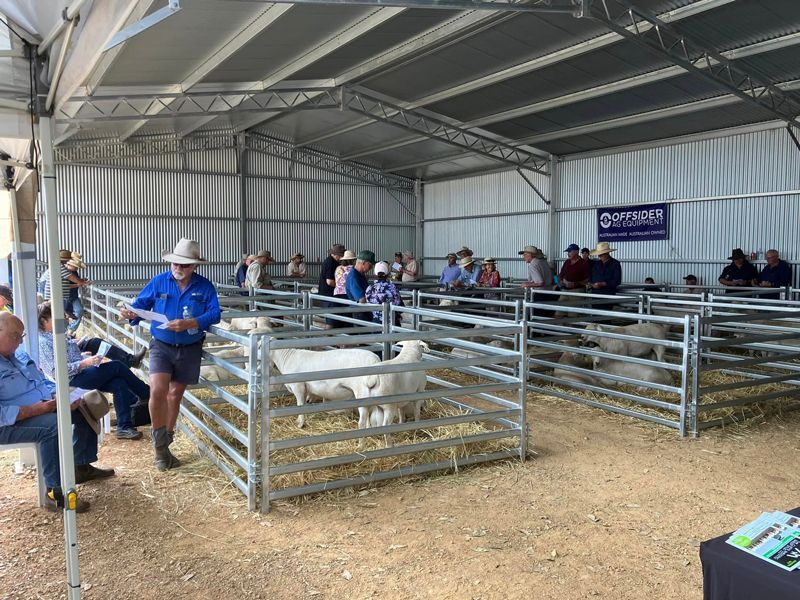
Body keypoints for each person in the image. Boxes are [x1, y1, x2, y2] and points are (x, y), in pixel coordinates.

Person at [119, 238, 221, 471]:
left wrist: (192, 322)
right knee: (157, 389)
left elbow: (215, 313)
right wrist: (129, 313)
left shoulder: (204, 287)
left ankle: (167, 441)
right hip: (161, 345)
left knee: (175, 395)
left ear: (194, 266)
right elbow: (140, 305)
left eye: (184, 265)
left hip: (190, 346)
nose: (178, 268)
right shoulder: (159, 282)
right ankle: (159, 447)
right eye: (175, 263)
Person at [0, 313, 114, 512]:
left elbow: (41, 380)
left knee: (82, 406)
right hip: (9, 423)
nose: (20, 341)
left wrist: (59, 396)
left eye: (22, 336)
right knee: (52, 426)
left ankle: (81, 465)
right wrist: (35, 410)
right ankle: (55, 492)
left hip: (40, 407)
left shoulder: (18, 355)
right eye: (14, 336)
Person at [38, 302, 150, 440]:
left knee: (119, 383)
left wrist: (83, 357)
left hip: (80, 374)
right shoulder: (44, 342)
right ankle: (146, 393)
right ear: (44, 321)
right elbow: (56, 371)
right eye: (56, 317)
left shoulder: (56, 334)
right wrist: (84, 363)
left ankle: (124, 427)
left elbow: (66, 358)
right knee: (116, 366)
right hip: (71, 381)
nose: (63, 319)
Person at [318, 244, 346, 329]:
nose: (341, 257)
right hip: (328, 293)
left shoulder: (331, 261)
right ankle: (328, 339)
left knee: (332, 317)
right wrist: (340, 286)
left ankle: (330, 338)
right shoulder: (330, 263)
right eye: (341, 255)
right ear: (336, 254)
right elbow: (329, 281)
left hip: (327, 292)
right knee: (331, 319)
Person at [345, 250, 376, 322]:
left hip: (364, 311)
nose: (371, 268)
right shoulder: (354, 277)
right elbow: (361, 299)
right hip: (360, 312)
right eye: (370, 265)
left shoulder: (360, 275)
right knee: (363, 332)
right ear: (364, 263)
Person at [64, 256, 90, 333]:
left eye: (77, 267)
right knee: (64, 316)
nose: (77, 268)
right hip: (64, 297)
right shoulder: (64, 272)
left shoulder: (74, 272)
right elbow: (65, 285)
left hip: (74, 296)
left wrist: (83, 281)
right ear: (70, 264)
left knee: (79, 311)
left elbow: (77, 281)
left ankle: (71, 329)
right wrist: (79, 284)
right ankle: (64, 333)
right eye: (75, 266)